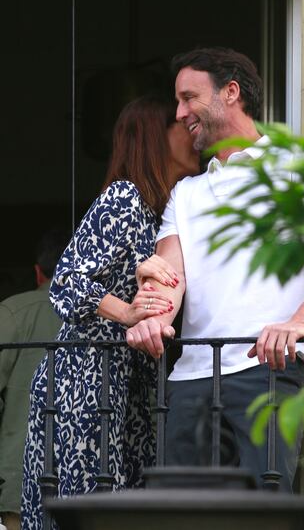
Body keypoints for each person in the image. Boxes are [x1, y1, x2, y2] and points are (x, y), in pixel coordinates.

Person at [126, 47, 304, 491]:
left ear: (231, 92)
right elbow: (170, 281)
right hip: (189, 381)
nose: (180, 112)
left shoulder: (302, 166)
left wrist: (298, 325)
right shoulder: (185, 194)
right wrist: (151, 318)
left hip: (268, 372)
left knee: (260, 515)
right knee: (175, 518)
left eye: (189, 97)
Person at [21, 94, 200, 529]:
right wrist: (128, 314)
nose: (193, 133)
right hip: (86, 382)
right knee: (92, 508)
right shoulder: (123, 197)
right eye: (179, 124)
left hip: (126, 382)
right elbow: (65, 281)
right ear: (156, 138)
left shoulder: (160, 214)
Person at [0, 228, 69, 530]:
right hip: (95, 481)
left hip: (19, 478)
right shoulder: (115, 317)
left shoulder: (13, 312)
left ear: (38, 273)